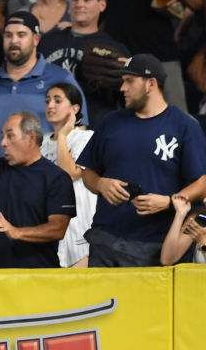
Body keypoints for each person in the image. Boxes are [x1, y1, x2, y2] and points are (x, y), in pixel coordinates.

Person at [77, 54, 206, 267]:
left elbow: (201, 183)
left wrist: (169, 201)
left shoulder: (184, 126)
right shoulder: (111, 122)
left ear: (151, 84)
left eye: (130, 81)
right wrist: (101, 183)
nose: (122, 88)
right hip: (105, 239)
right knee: (102, 302)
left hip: (155, 244)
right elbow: (87, 172)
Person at [0, 112, 76, 267]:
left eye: (10, 136)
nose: (3, 143)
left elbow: (58, 229)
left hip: (35, 274)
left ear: (31, 138)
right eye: (3, 136)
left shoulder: (57, 178)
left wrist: (17, 232)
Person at [0, 11, 85, 169]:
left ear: (36, 39)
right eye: (8, 35)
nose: (14, 41)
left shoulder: (61, 78)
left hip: (43, 182)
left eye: (21, 34)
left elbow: (79, 130)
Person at [38, 0, 128, 128]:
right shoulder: (48, 41)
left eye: (87, 0)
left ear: (102, 5)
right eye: (75, 0)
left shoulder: (115, 49)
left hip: (94, 130)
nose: (79, 4)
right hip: (48, 129)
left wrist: (127, 79)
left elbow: (130, 101)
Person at [40, 82, 96, 267]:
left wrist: (63, 136)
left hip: (79, 228)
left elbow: (70, 174)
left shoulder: (86, 138)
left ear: (75, 108)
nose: (50, 105)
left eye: (57, 100)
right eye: (47, 100)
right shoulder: (41, 142)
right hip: (50, 228)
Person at [160, 194, 206, 265]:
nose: (204, 200)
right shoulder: (201, 217)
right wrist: (180, 213)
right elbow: (167, 260)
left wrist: (202, 242)